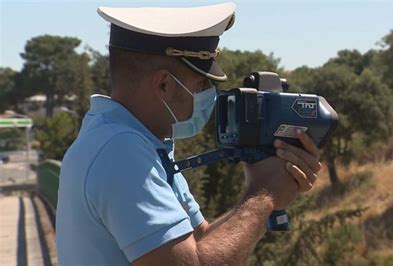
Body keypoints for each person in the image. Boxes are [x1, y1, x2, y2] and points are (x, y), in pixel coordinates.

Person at [56, 2, 322, 265]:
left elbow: (201, 240)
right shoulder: (121, 152)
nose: (208, 94)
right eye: (201, 83)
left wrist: (267, 188)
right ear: (164, 84)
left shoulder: (136, 143)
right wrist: (263, 196)